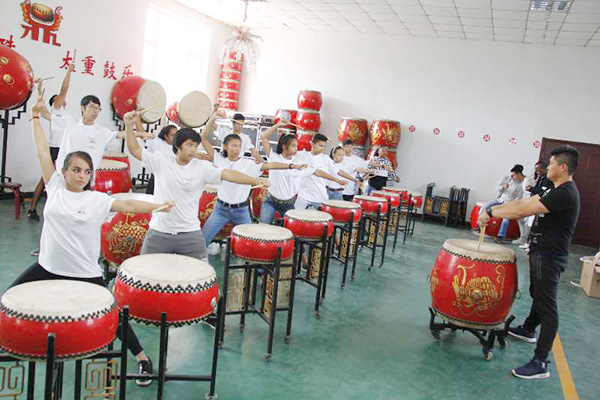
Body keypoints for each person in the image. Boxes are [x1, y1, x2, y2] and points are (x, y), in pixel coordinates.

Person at [11, 94, 174, 386]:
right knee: (8, 300)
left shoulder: (97, 199)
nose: (82, 175)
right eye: (76, 170)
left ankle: (142, 359)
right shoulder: (56, 187)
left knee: (114, 318)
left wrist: (157, 206)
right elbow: (41, 150)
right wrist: (35, 117)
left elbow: (128, 206)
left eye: (87, 171)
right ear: (64, 171)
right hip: (48, 266)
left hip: (85, 272)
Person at [477, 145, 580, 379]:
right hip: (542, 252)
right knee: (537, 292)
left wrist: (492, 213)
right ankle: (528, 329)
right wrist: (494, 208)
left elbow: (523, 209)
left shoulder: (565, 193)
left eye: (552, 163)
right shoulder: (553, 188)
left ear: (563, 167)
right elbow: (522, 204)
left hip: (550, 256)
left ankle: (540, 362)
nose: (548, 166)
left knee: (547, 307)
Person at [124, 111, 267, 262]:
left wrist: (255, 181)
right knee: (145, 272)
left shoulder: (202, 167)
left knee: (201, 277)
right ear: (178, 145)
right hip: (159, 231)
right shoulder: (161, 161)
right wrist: (128, 126)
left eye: (196, 146)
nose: (193, 149)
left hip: (190, 233)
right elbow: (135, 150)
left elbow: (229, 174)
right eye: (189, 145)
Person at [200, 110, 304, 245]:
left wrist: (290, 166)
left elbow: (269, 165)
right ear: (225, 146)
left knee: (252, 242)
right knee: (202, 240)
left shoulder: (247, 164)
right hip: (221, 209)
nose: (237, 149)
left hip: (241, 211)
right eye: (233, 145)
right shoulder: (219, 160)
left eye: (239, 146)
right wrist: (212, 118)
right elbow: (203, 138)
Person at [53, 94, 154, 180]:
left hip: (85, 179)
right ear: (82, 108)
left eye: (98, 109)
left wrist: (141, 134)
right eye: (92, 107)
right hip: (64, 176)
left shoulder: (101, 132)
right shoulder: (69, 122)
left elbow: (121, 134)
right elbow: (45, 114)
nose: (96, 111)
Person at [258, 121, 340, 224]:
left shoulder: (299, 162)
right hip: (270, 200)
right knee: (263, 226)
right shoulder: (274, 157)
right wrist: (278, 125)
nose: (296, 148)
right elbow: (264, 137)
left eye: (296, 146)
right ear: (284, 147)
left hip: (289, 203)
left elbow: (317, 172)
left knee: (289, 231)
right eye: (293, 146)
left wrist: (336, 179)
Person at [28, 64, 74, 221]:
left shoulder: (64, 115)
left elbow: (42, 98)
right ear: (55, 102)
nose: (61, 98)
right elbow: (64, 90)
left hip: (63, 150)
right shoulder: (56, 110)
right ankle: (33, 209)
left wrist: (39, 87)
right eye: (58, 98)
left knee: (59, 181)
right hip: (55, 150)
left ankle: (52, 210)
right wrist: (69, 72)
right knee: (45, 180)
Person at [294, 134, 357, 210]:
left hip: (320, 196)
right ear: (312, 144)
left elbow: (338, 171)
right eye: (320, 145)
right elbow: (285, 152)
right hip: (303, 196)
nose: (322, 148)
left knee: (324, 219)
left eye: (324, 146)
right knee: (295, 216)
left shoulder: (325, 159)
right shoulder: (301, 155)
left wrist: (354, 180)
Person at [474, 164, 525, 244]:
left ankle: (500, 236)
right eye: (512, 174)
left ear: (518, 174)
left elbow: (519, 197)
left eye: (514, 175)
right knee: (486, 206)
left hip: (509, 203)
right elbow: (496, 188)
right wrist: (502, 187)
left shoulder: (521, 184)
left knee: (505, 220)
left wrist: (512, 205)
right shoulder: (506, 178)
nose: (512, 176)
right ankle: (478, 226)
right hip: (500, 199)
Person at [145, 124, 177, 194]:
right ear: (166, 136)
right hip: (156, 180)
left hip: (171, 182)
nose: (175, 138)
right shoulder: (158, 142)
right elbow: (142, 132)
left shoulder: (179, 147)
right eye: (173, 135)